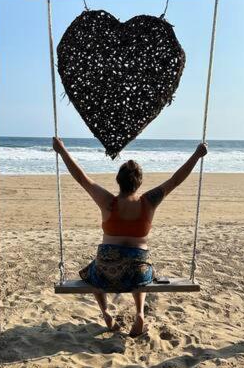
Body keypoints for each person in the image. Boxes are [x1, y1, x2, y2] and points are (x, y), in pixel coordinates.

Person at [53, 138, 208, 337]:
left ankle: (106, 313)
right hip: (136, 272)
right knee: (142, 269)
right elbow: (175, 180)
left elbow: (82, 179)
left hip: (105, 272)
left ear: (118, 180)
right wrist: (196, 155)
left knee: (92, 272)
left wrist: (62, 150)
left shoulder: (108, 201)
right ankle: (140, 313)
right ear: (140, 182)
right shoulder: (149, 202)